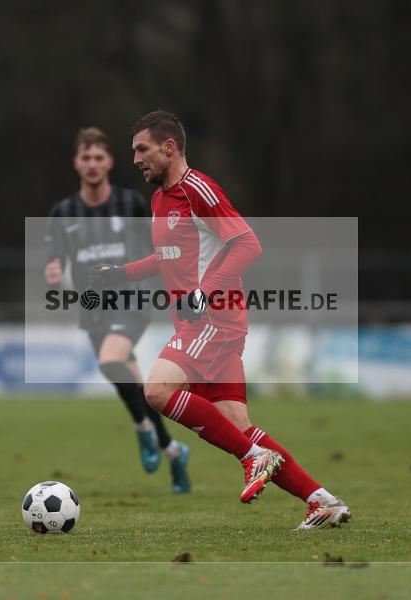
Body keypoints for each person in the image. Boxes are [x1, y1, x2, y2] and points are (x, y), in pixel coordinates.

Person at [89, 111, 350, 530]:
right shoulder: (160, 200)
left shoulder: (199, 190)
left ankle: (254, 459)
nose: (135, 159)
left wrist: (202, 291)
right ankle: (323, 501)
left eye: (142, 149)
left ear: (169, 147)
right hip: (204, 322)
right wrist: (120, 274)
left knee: (156, 390)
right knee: (237, 426)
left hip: (214, 317)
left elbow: (247, 242)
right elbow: (169, 255)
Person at [44, 127, 191, 492]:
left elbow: (157, 246)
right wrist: (53, 271)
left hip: (133, 299)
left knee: (110, 360)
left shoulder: (131, 203)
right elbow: (54, 260)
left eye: (99, 157)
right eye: (85, 157)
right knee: (134, 386)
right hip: (94, 309)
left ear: (110, 162)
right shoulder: (63, 212)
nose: (92, 164)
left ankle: (143, 430)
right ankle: (174, 453)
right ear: (76, 163)